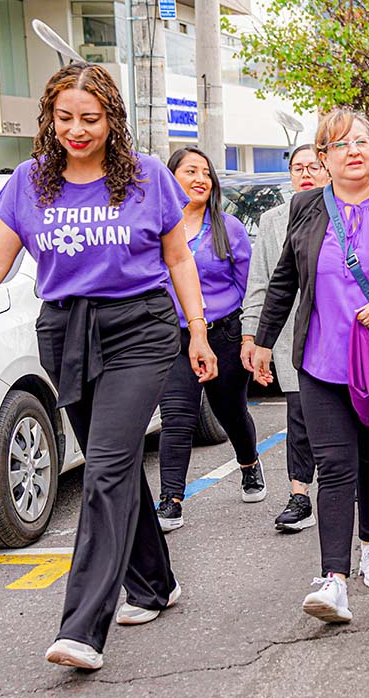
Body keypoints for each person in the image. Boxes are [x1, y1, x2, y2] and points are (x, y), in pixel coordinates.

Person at [0, 62, 215, 670]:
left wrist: (198, 332)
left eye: (90, 119)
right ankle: (157, 582)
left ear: (112, 120)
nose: (76, 130)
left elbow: (179, 260)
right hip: (65, 330)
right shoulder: (31, 181)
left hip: (140, 325)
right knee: (119, 463)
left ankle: (82, 627)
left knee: (104, 464)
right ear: (48, 119)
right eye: (64, 118)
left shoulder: (146, 177)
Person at [251, 108, 369, 623]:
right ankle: (333, 579)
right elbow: (286, 279)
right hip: (321, 360)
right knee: (335, 466)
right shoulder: (307, 207)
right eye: (340, 145)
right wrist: (261, 340)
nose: (354, 151)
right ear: (324, 157)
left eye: (362, 141)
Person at [154, 147, 259, 531]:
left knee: (230, 411)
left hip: (224, 333)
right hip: (174, 337)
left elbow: (248, 286)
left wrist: (252, 337)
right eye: (190, 171)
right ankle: (171, 499)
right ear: (171, 179)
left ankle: (248, 464)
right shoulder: (157, 229)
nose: (201, 179)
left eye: (206, 173)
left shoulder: (228, 227)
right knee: (177, 416)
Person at [241, 145, 328, 531]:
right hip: (293, 333)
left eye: (313, 166)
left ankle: (347, 483)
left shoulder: (344, 212)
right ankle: (300, 494)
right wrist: (250, 337)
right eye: (297, 168)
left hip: (343, 333)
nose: (305, 173)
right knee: (299, 417)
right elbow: (260, 284)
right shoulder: (274, 220)